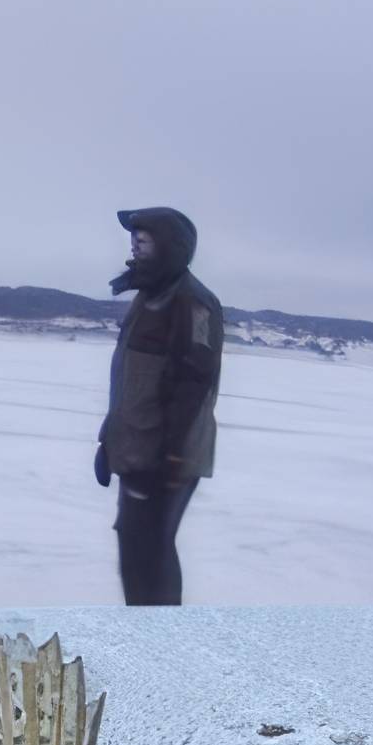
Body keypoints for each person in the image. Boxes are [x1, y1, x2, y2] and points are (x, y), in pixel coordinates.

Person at [95, 207, 222, 606]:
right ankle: (145, 630)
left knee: (150, 550)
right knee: (135, 546)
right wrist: (108, 440)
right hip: (137, 447)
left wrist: (170, 458)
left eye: (143, 239)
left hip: (164, 456)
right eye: (133, 238)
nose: (134, 245)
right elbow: (130, 383)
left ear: (169, 246)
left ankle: (162, 635)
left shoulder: (193, 303)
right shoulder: (149, 295)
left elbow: (193, 386)